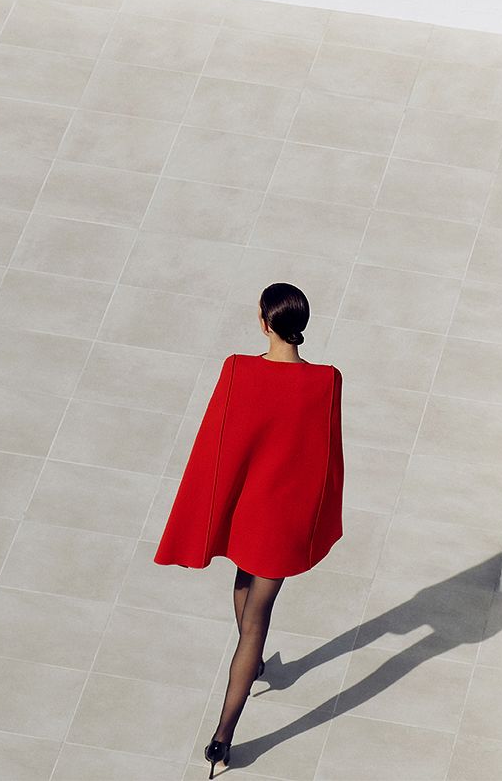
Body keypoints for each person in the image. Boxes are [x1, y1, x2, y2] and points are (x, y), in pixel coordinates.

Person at [153, 282, 344, 777]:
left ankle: (226, 729)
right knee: (255, 608)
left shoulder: (238, 369)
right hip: (284, 516)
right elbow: (326, 458)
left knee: (245, 597)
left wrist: (210, 510)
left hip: (246, 510)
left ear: (264, 322)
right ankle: (231, 715)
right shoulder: (326, 380)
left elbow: (218, 446)